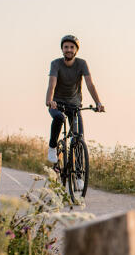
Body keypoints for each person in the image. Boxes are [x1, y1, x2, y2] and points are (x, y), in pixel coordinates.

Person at [45, 35, 105, 163]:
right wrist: (50, 100)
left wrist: (98, 103)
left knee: (79, 138)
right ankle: (52, 147)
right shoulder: (56, 64)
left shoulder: (82, 64)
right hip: (57, 103)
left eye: (72, 47)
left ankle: (79, 176)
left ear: (76, 50)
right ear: (62, 49)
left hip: (74, 104)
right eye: (66, 47)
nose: (69, 50)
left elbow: (90, 84)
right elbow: (52, 84)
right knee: (59, 118)